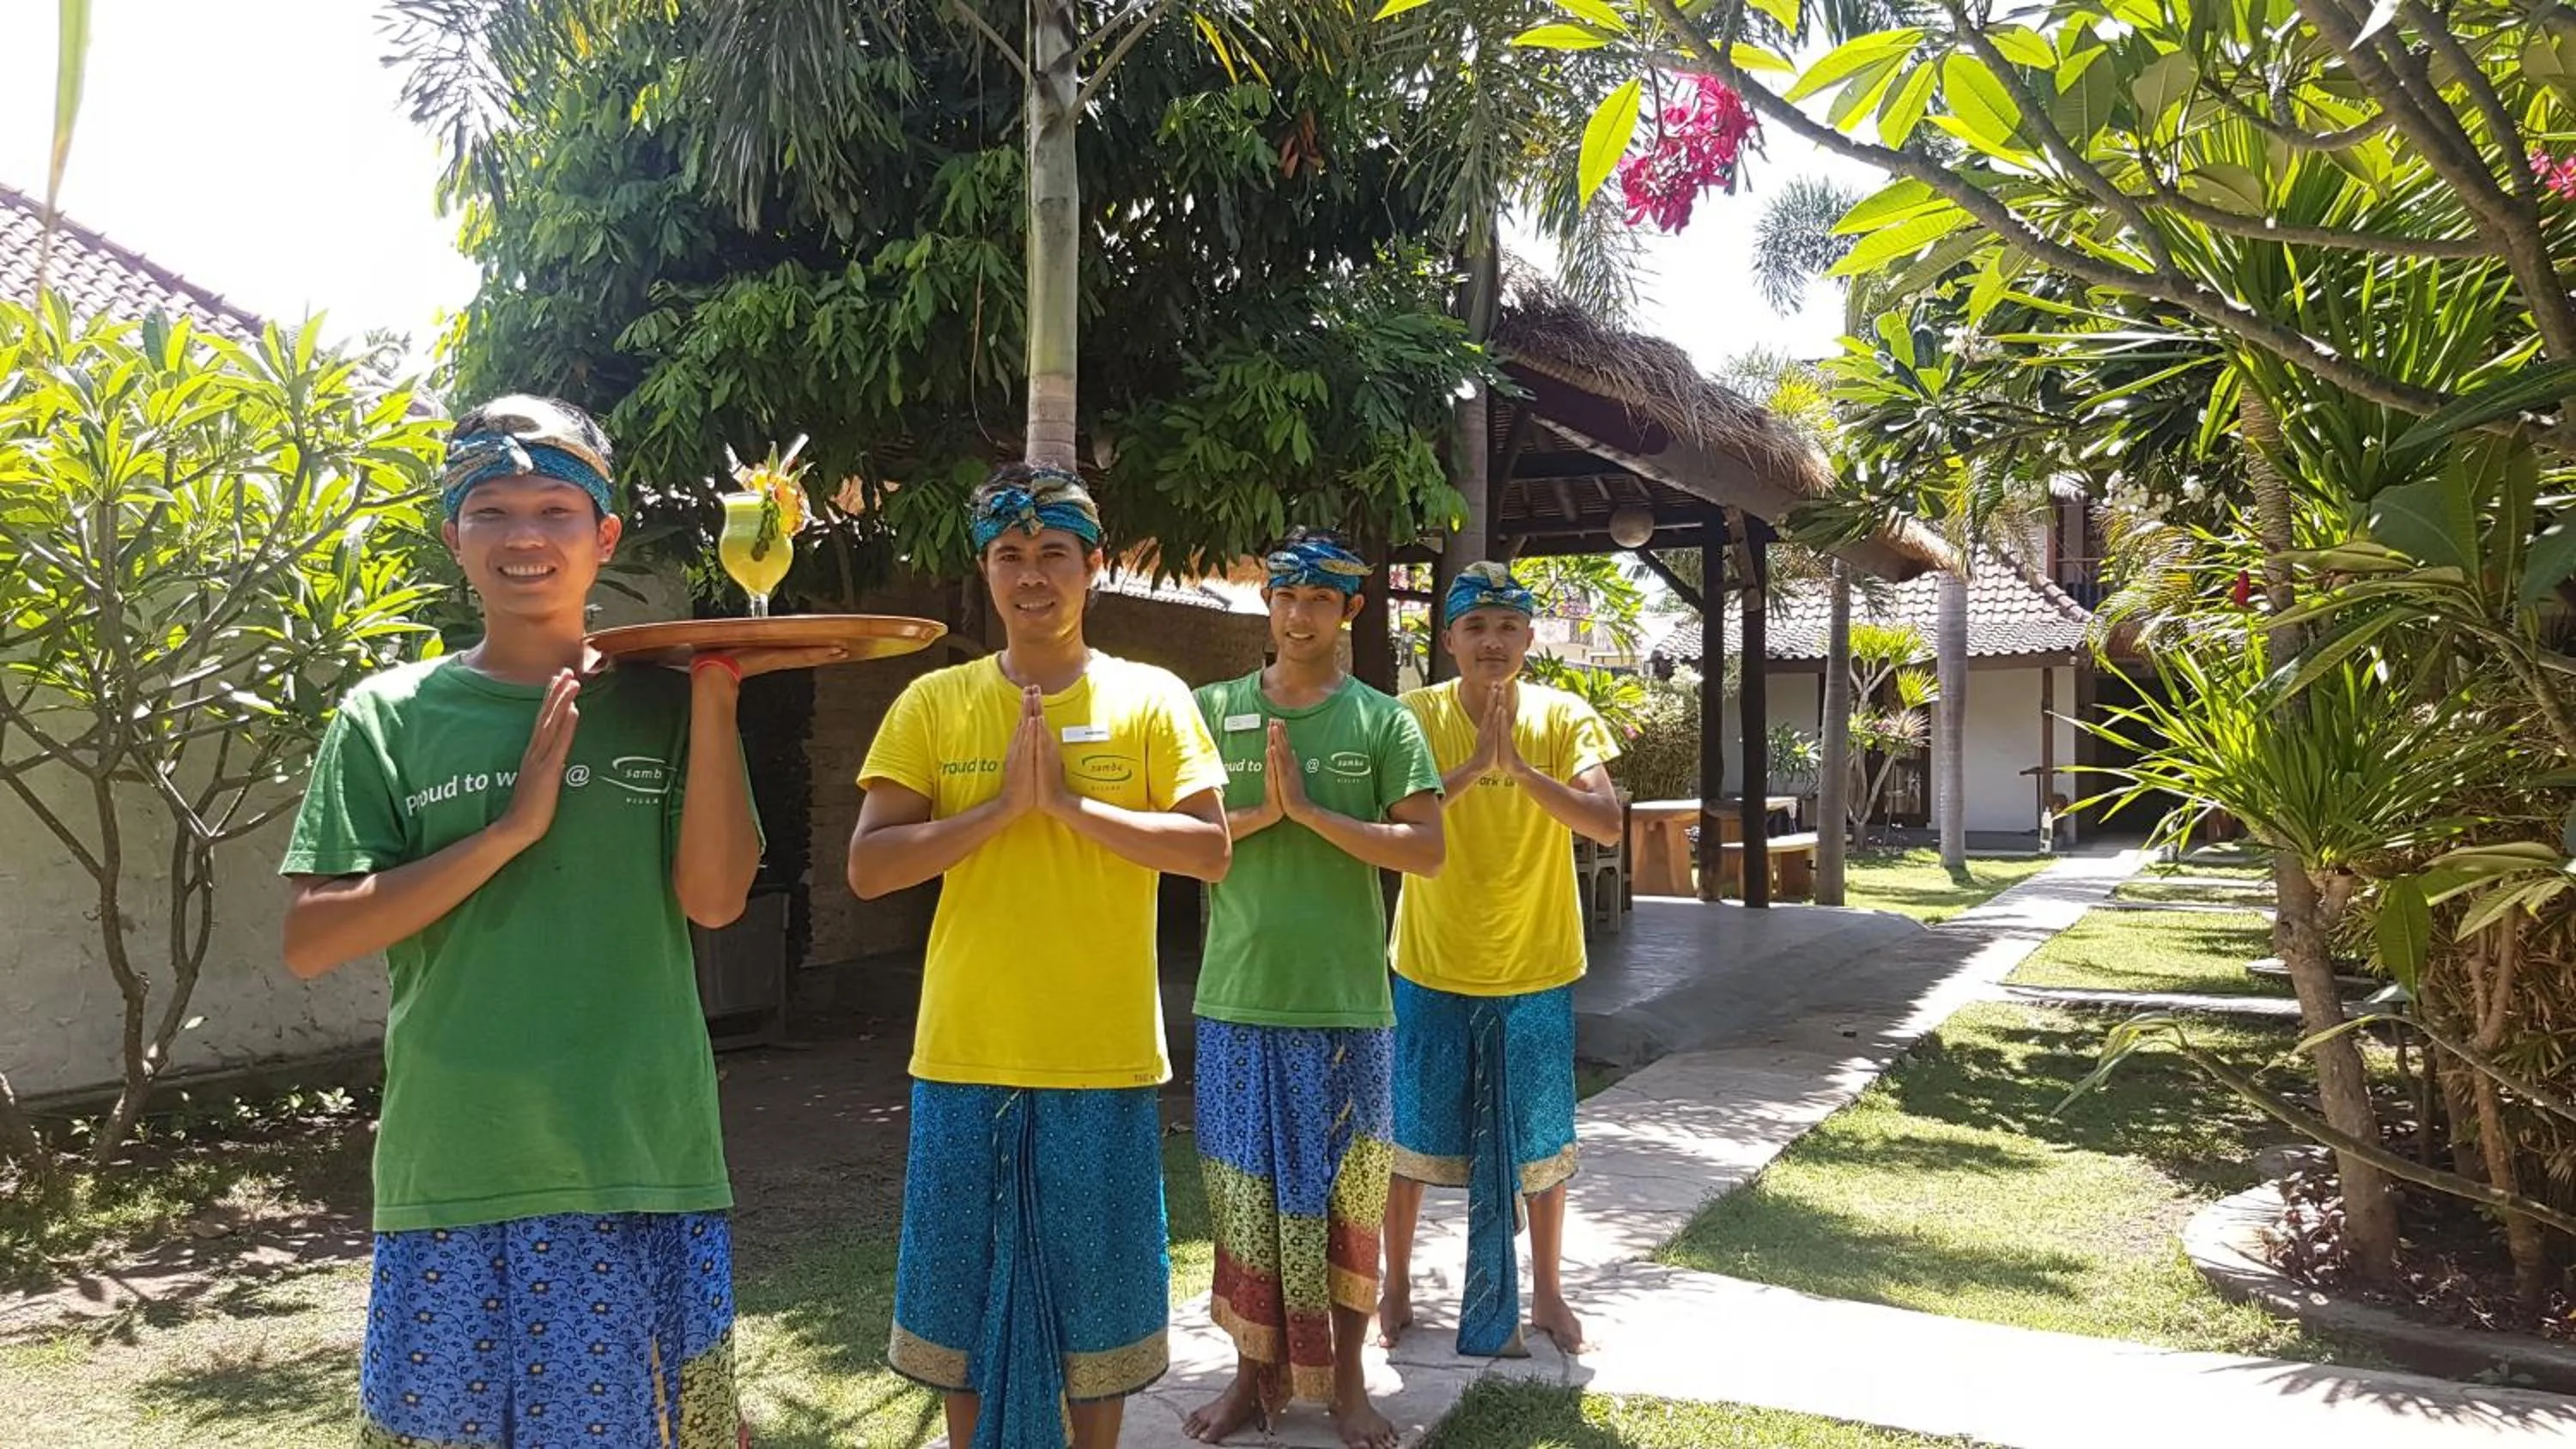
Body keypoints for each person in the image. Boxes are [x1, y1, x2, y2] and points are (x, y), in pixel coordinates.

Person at [279, 395, 839, 1448]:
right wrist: (507, 830)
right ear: (454, 536)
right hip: (455, 1163)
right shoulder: (388, 715)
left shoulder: (663, 704)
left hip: (637, 1151)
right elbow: (314, 938)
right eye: (491, 510)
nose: (524, 536)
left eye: (554, 508)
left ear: (603, 535)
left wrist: (715, 698)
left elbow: (716, 900)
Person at [848, 464, 1231, 1449]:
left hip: (1099, 1053)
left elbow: (1207, 847)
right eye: (1009, 556)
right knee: (957, 1304)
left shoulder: (1152, 697)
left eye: (1053, 554)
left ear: (1092, 567)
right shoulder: (933, 703)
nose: (1032, 577)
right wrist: (996, 813)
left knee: (1096, 1306)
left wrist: (1066, 805)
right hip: (964, 1050)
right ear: (984, 569)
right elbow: (869, 865)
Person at [1181, 530, 1444, 1449]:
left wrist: (1319, 816)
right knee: (1245, 1201)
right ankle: (1250, 1378)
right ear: (1268, 604)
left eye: (1321, 601)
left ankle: (1346, 1386)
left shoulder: (1383, 720)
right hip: (1237, 998)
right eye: (1288, 597)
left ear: (1349, 612)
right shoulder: (1210, 709)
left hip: (1345, 1005)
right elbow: (1184, 839)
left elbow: (1427, 849)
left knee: (1347, 1201)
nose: (1301, 615)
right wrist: (1269, 813)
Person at [1378, 561, 1623, 1360]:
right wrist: (1473, 770)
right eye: (1475, 627)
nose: (1492, 641)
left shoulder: (1562, 715)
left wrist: (1518, 768)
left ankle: (1548, 1294)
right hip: (1430, 961)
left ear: (1528, 638)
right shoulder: (1411, 716)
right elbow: (1392, 815)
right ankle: (1397, 1287)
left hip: (1537, 964)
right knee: (1408, 1142)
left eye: (1507, 626)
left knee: (1542, 1145)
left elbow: (1606, 822)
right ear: (1448, 638)